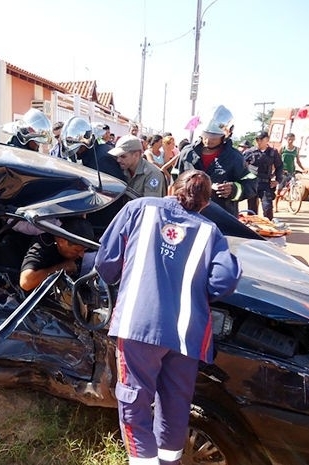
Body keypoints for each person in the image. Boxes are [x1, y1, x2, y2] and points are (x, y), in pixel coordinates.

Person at [94, 169, 241, 465]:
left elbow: (106, 264)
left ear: (171, 189)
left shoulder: (138, 209)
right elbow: (224, 280)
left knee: (134, 399)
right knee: (175, 404)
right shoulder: (210, 231)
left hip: (139, 327)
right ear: (205, 203)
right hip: (186, 333)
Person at [174, 105, 256, 216]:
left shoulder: (235, 157)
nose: (208, 140)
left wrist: (234, 190)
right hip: (189, 215)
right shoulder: (187, 153)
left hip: (221, 218)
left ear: (226, 134)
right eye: (206, 135)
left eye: (214, 136)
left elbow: (251, 185)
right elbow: (175, 179)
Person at [19, 217, 95, 292]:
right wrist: (62, 268)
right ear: (61, 242)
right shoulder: (44, 245)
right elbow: (26, 282)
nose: (81, 254)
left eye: (84, 250)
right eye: (77, 250)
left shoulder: (89, 245)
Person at [244, 131, 283, 220]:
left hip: (266, 184)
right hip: (252, 183)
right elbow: (241, 166)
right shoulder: (250, 152)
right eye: (257, 139)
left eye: (261, 139)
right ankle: (252, 229)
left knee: (267, 207)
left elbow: (279, 166)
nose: (259, 141)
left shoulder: (273, 153)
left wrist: (277, 180)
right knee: (252, 209)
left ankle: (269, 227)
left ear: (267, 140)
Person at [277, 132, 307, 196]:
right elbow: (277, 160)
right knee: (280, 187)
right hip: (283, 171)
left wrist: (303, 169)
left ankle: (290, 202)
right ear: (286, 139)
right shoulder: (283, 148)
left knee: (291, 186)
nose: (290, 141)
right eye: (289, 139)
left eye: (292, 139)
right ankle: (277, 201)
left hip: (291, 170)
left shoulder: (296, 149)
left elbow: (298, 161)